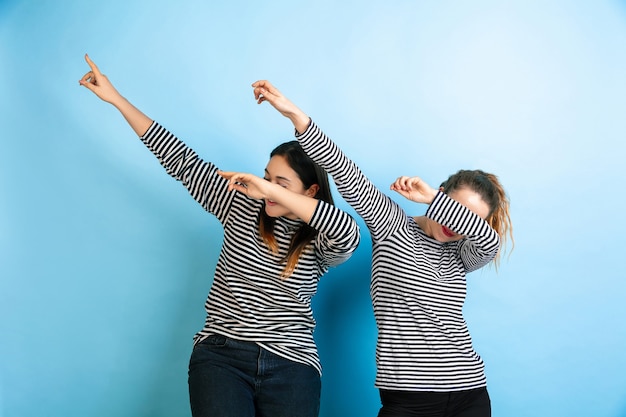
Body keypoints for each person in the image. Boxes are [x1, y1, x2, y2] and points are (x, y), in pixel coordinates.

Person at [78, 55, 360, 417]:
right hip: (221, 357)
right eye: (265, 176)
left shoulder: (320, 239)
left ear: (310, 192)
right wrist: (116, 98)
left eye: (281, 182)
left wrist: (267, 190)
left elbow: (348, 232)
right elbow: (180, 160)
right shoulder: (240, 205)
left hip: (293, 365)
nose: (265, 187)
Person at [251, 80, 513, 417]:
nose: (455, 226)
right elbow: (349, 176)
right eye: (454, 206)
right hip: (407, 398)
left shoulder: (464, 252)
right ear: (444, 190)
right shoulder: (393, 225)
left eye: (467, 220)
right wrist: (296, 116)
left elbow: (489, 241)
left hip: (470, 392)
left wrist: (434, 199)